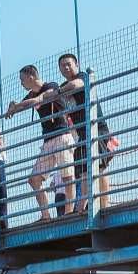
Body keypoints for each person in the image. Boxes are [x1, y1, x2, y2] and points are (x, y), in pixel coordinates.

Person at [3, 64, 75, 219]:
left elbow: (38, 100)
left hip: (62, 135)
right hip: (48, 140)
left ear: (31, 76)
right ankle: (45, 214)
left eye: (22, 79)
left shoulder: (51, 86)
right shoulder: (30, 94)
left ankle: (69, 211)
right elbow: (22, 104)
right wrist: (12, 106)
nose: (21, 83)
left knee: (67, 175)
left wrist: (16, 106)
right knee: (34, 180)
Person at [56, 53, 90, 216]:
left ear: (76, 64)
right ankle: (81, 207)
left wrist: (59, 92)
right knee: (83, 170)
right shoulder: (64, 85)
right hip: (81, 134)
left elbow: (77, 84)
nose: (66, 68)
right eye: (62, 66)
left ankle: (100, 204)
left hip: (94, 128)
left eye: (68, 64)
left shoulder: (82, 76)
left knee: (98, 167)